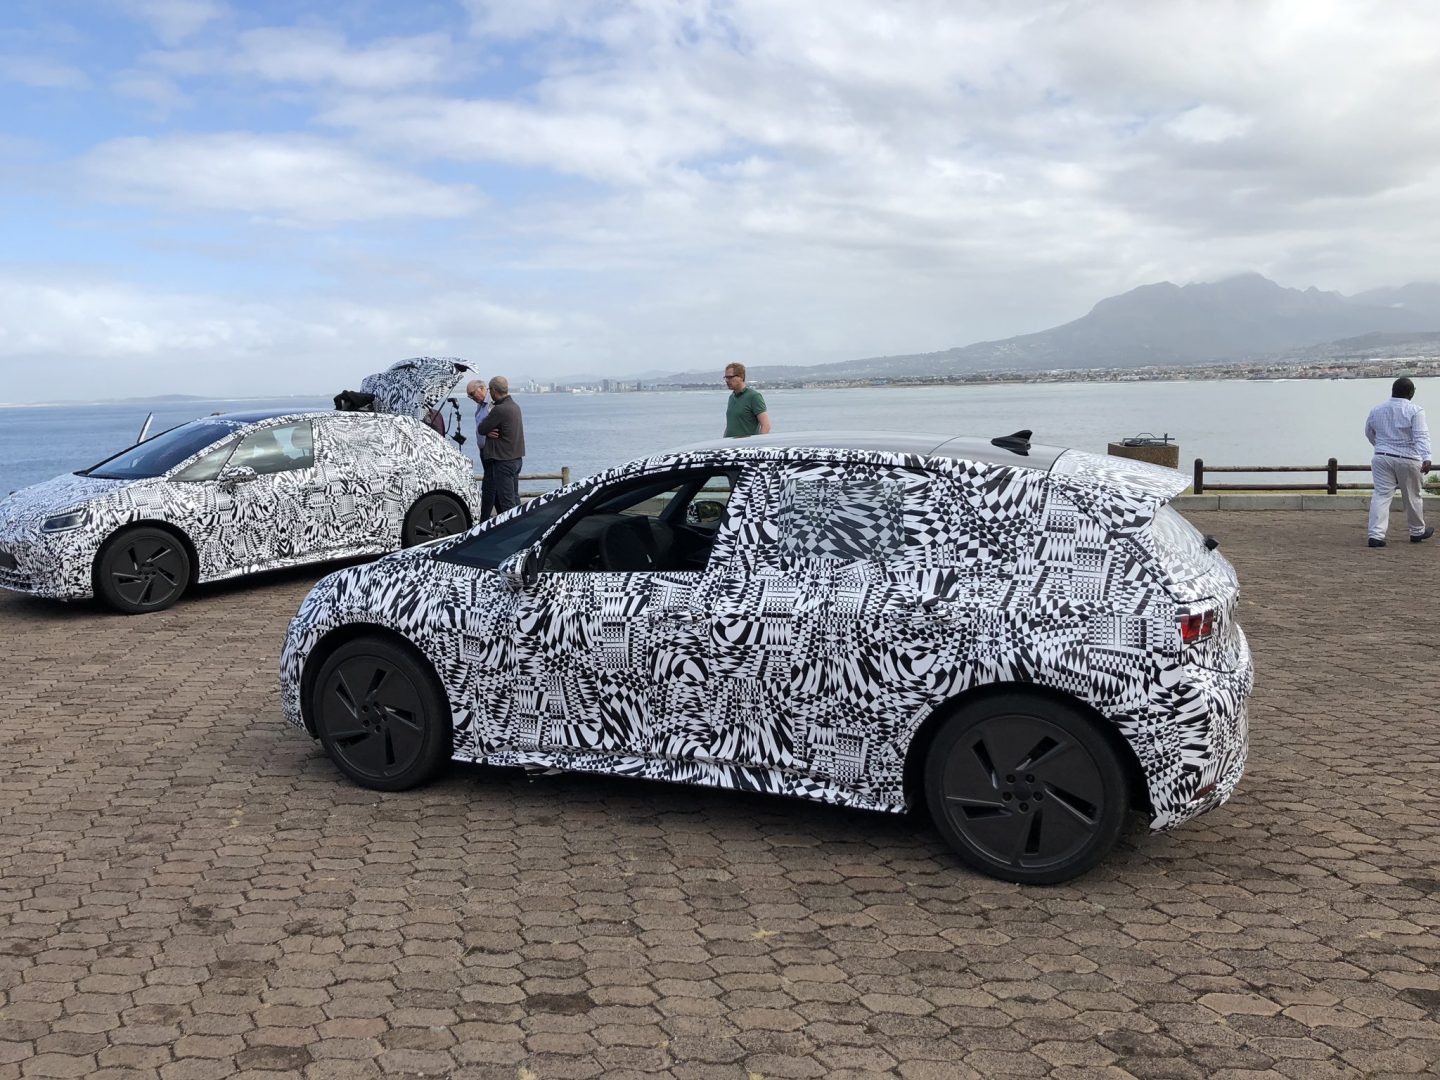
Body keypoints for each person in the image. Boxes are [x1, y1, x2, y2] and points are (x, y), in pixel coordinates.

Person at [1365, 376, 1433, 547]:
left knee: (1381, 495)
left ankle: (1376, 535)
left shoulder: (1377, 409)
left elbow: (1369, 431)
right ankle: (1417, 531)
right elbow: (1421, 435)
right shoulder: (1416, 411)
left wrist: (1379, 446)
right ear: (1411, 393)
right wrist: (1426, 457)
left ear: (1393, 391)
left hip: (1382, 456)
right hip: (1408, 458)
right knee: (1412, 496)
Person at [477, 375, 525, 519]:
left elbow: (482, 428)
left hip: (503, 461)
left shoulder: (499, 409)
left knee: (507, 503)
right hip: (516, 458)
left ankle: (511, 529)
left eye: (490, 389)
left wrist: (487, 429)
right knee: (514, 497)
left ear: (494, 390)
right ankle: (520, 524)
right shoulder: (515, 407)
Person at [722, 362, 771, 438]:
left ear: (741, 377)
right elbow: (731, 426)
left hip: (745, 444)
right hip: (729, 444)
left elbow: (766, 425)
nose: (727, 380)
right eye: (726, 377)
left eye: (730, 377)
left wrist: (758, 443)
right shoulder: (731, 397)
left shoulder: (754, 396)